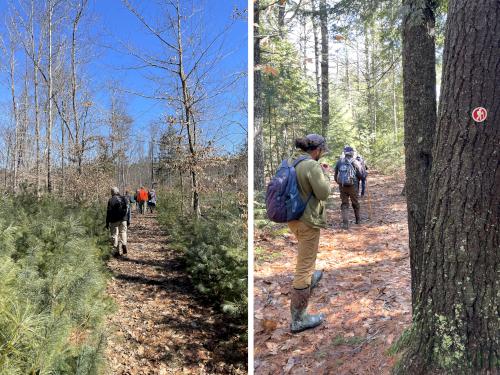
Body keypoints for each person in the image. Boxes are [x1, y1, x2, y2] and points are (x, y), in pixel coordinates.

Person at [287, 134, 331, 334]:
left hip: (294, 218)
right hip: (307, 220)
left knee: (306, 260)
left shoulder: (293, 162)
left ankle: (310, 277)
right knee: (304, 269)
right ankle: (299, 319)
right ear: (318, 150)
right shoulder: (311, 166)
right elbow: (324, 193)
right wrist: (325, 175)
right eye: (322, 150)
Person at [334, 146, 363, 229]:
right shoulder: (355, 162)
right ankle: (358, 220)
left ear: (344, 153)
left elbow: (336, 175)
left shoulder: (339, 162)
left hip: (342, 186)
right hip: (353, 186)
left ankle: (345, 223)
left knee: (344, 204)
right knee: (355, 203)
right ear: (352, 153)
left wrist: (340, 183)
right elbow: (361, 175)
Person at [105, 187, 129, 257]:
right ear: (118, 192)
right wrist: (128, 220)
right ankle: (124, 244)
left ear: (112, 192)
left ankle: (115, 250)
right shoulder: (124, 198)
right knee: (123, 233)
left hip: (114, 220)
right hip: (124, 219)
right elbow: (128, 210)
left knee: (115, 234)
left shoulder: (111, 200)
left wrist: (107, 223)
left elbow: (108, 212)